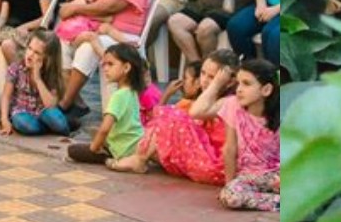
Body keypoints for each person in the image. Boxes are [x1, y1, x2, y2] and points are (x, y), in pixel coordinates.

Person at [57, 0, 152, 112]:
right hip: (95, 25)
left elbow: (112, 7)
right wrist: (78, 7)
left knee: (87, 48)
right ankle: (77, 102)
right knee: (61, 42)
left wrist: (76, 8)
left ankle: (65, 104)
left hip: (122, 32)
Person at [111, 50, 238, 181]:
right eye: (203, 73)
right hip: (204, 156)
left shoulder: (229, 101)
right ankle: (138, 157)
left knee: (172, 115)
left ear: (229, 82)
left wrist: (216, 85)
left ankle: (139, 159)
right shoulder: (211, 99)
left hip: (215, 165)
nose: (204, 81)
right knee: (165, 125)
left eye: (212, 77)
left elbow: (195, 112)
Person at [67, 44, 146, 164]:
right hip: (136, 144)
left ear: (126, 68)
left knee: (73, 150)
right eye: (104, 64)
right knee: (95, 132)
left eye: (110, 64)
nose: (105, 69)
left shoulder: (119, 95)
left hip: (121, 150)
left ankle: (109, 158)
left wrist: (93, 148)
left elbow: (105, 129)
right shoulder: (132, 92)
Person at [218, 59, 280, 212]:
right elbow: (229, 149)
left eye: (246, 84)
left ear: (266, 90)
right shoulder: (232, 105)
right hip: (248, 178)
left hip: (278, 176)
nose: (239, 89)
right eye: (238, 83)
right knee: (231, 196)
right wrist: (229, 184)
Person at [0, 30, 70, 136]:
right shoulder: (16, 68)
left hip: (44, 111)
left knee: (56, 120)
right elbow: (6, 96)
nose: (30, 54)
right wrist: (4, 120)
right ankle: (47, 128)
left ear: (48, 58)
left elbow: (50, 105)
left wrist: (38, 79)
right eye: (29, 48)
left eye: (37, 53)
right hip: (22, 111)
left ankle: (55, 126)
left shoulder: (51, 74)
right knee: (23, 124)